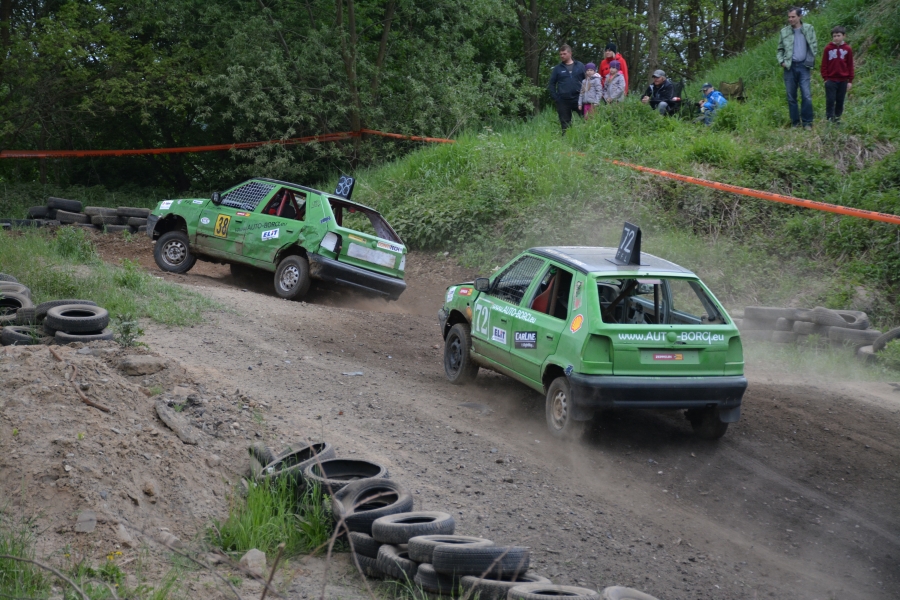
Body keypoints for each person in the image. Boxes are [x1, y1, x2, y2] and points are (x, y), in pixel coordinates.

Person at [776, 7, 817, 128]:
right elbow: (780, 49)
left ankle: (807, 122)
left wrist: (809, 61)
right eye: (789, 17)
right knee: (791, 97)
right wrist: (782, 62)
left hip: (804, 66)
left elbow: (814, 46)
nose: (790, 19)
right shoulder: (784, 32)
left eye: (793, 17)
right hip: (789, 67)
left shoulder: (809, 28)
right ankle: (795, 123)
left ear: (800, 16)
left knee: (806, 95)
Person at [548, 45, 586, 133]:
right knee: (565, 124)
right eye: (560, 54)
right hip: (563, 100)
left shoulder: (580, 66)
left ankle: (586, 136)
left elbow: (587, 80)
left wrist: (587, 95)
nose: (562, 56)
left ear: (570, 53)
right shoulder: (557, 69)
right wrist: (556, 98)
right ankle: (566, 139)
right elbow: (552, 83)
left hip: (579, 98)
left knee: (586, 118)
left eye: (564, 54)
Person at [820, 25, 854, 123]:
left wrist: (850, 80)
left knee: (840, 100)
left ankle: (837, 118)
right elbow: (824, 64)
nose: (836, 38)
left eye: (838, 36)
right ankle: (830, 119)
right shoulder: (828, 49)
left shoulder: (847, 49)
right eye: (834, 36)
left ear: (844, 36)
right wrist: (826, 78)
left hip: (843, 80)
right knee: (830, 100)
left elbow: (850, 65)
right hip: (831, 79)